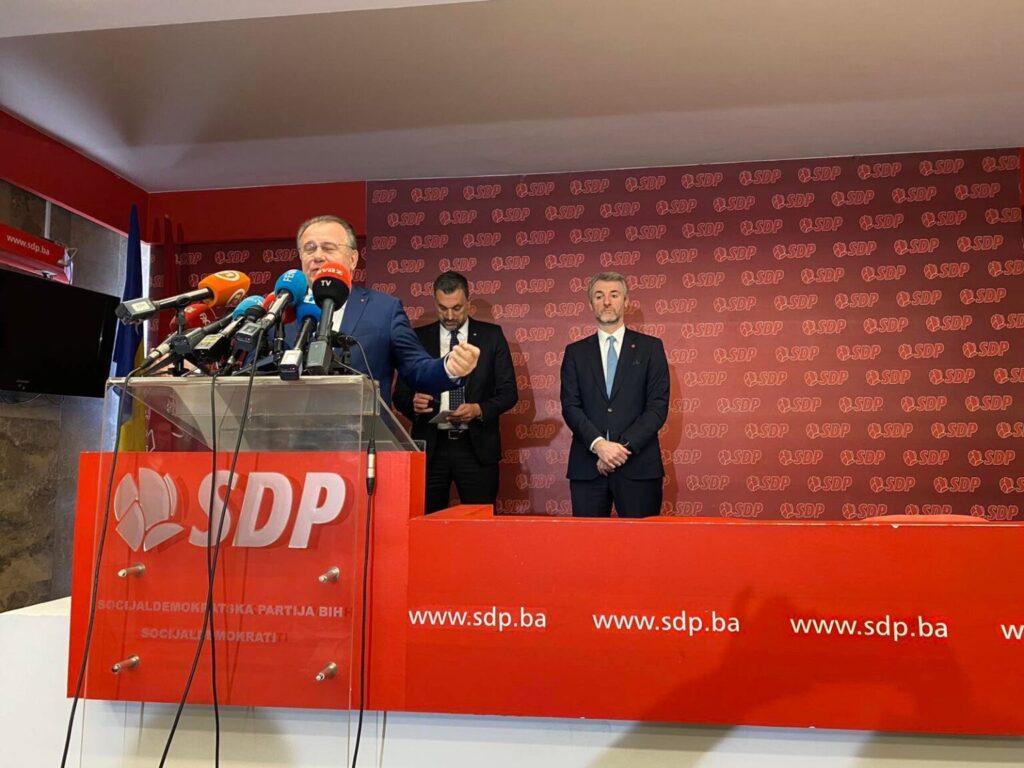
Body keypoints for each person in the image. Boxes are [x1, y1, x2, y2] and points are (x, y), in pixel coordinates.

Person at [295, 215, 479, 404]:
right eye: (309, 248)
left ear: (353, 259)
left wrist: (449, 368)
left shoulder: (384, 310)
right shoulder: (284, 308)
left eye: (328, 248)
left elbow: (416, 369)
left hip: (361, 422)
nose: (318, 256)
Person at [394, 272, 518, 513]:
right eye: (443, 308)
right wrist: (412, 402)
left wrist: (478, 409)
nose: (450, 316)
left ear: (468, 303)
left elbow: (509, 393)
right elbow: (400, 394)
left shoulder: (491, 336)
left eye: (457, 308)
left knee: (479, 523)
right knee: (427, 523)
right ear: (435, 302)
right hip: (431, 449)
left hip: (476, 448)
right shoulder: (418, 338)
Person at [560, 271, 669, 518]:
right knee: (587, 542)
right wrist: (599, 446)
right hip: (588, 468)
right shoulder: (575, 353)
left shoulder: (651, 348)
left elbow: (657, 407)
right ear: (591, 304)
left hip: (638, 468)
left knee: (641, 542)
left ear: (626, 301)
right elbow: (570, 406)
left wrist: (619, 449)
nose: (607, 302)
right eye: (599, 296)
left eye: (614, 295)